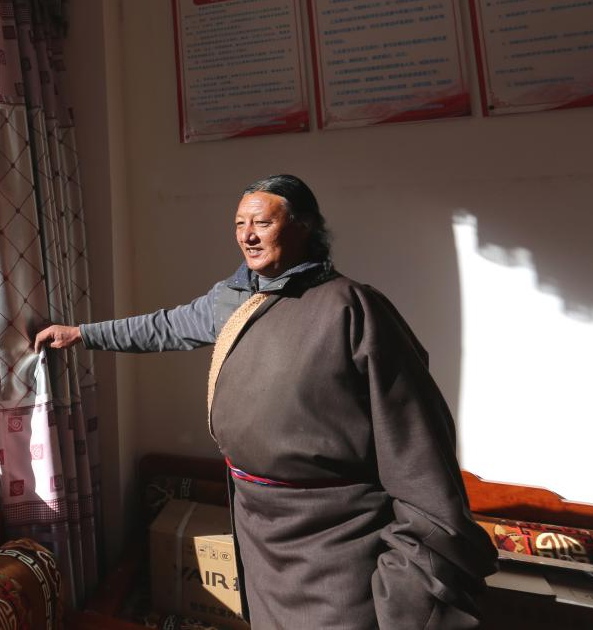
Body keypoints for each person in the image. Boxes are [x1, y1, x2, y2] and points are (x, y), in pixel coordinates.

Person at [32, 174, 495, 630]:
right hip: (255, 522)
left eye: (263, 223)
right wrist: (82, 334)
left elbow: (418, 453)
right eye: (239, 224)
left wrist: (408, 586)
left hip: (334, 535)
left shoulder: (352, 309)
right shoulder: (234, 299)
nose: (248, 235)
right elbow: (164, 327)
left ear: (305, 227)